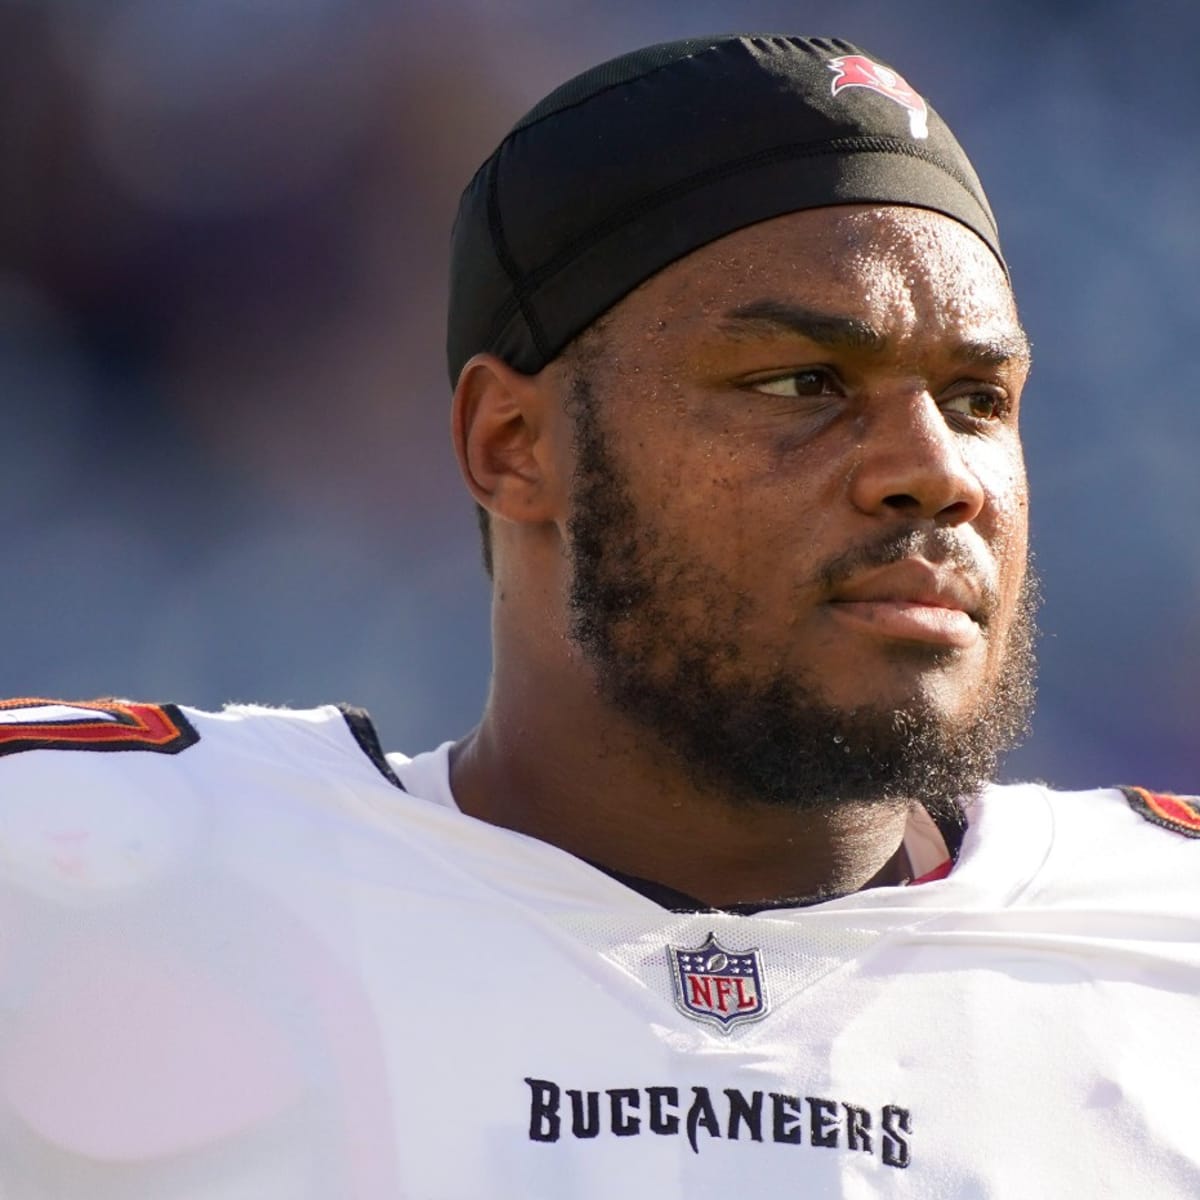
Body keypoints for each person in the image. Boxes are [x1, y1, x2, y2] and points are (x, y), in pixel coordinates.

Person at [0, 32, 1196, 1199]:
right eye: (800, 382)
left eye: (978, 397)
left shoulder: (1167, 948)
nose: (937, 471)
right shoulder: (88, 867)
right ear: (511, 445)